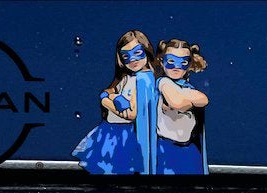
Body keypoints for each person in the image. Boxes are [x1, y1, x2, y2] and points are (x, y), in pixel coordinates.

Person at [72, 30, 158, 174]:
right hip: (109, 133)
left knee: (117, 168)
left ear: (146, 50)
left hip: (123, 136)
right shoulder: (127, 77)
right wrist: (113, 97)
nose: (132, 59)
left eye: (137, 53)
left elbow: (131, 114)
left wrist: (106, 100)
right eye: (126, 56)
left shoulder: (143, 80)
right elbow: (112, 90)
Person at [154, 39, 209, 175]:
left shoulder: (186, 86)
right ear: (162, 61)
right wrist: (188, 100)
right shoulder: (164, 82)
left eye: (183, 62)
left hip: (188, 147)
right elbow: (178, 103)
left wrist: (185, 97)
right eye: (171, 61)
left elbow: (203, 99)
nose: (176, 67)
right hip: (166, 148)